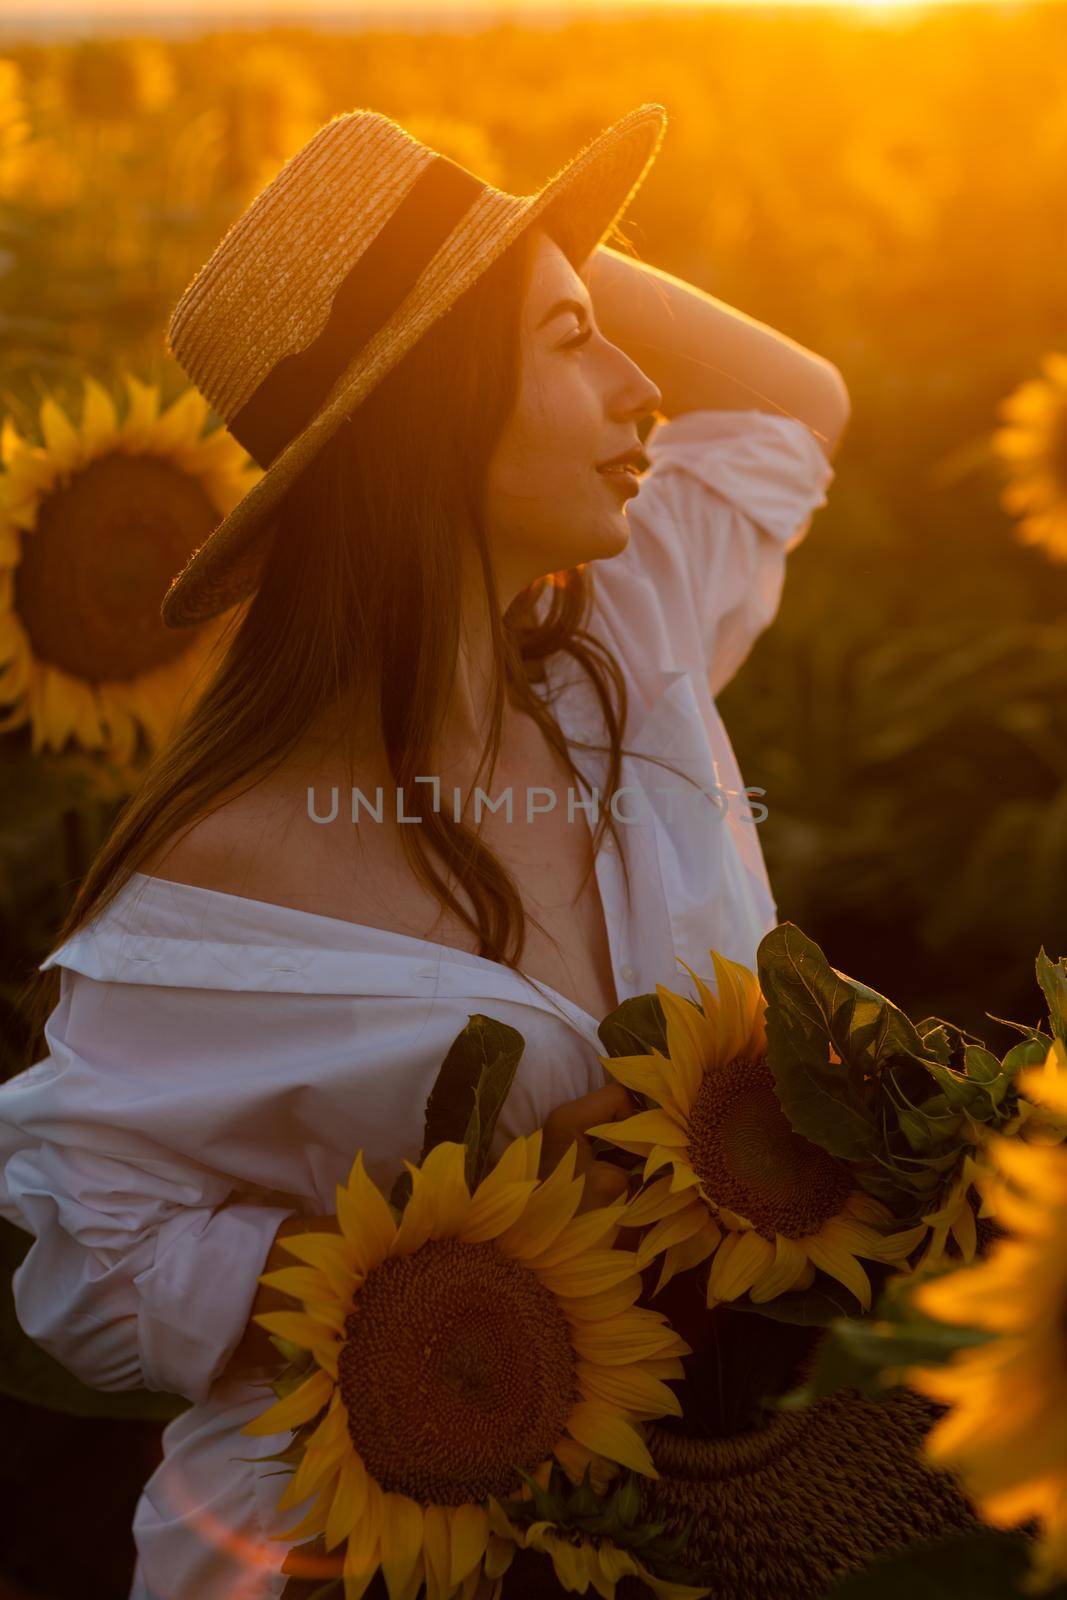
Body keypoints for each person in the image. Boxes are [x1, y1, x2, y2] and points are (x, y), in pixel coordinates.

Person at [0, 104, 848, 1599]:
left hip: (669, 1518)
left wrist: (507, 231)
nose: (645, 389)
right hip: (338, 1552)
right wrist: (463, 1257)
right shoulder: (218, 870)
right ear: (429, 412)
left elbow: (797, 400)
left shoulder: (623, 653)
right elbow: (90, 1267)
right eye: (575, 339)